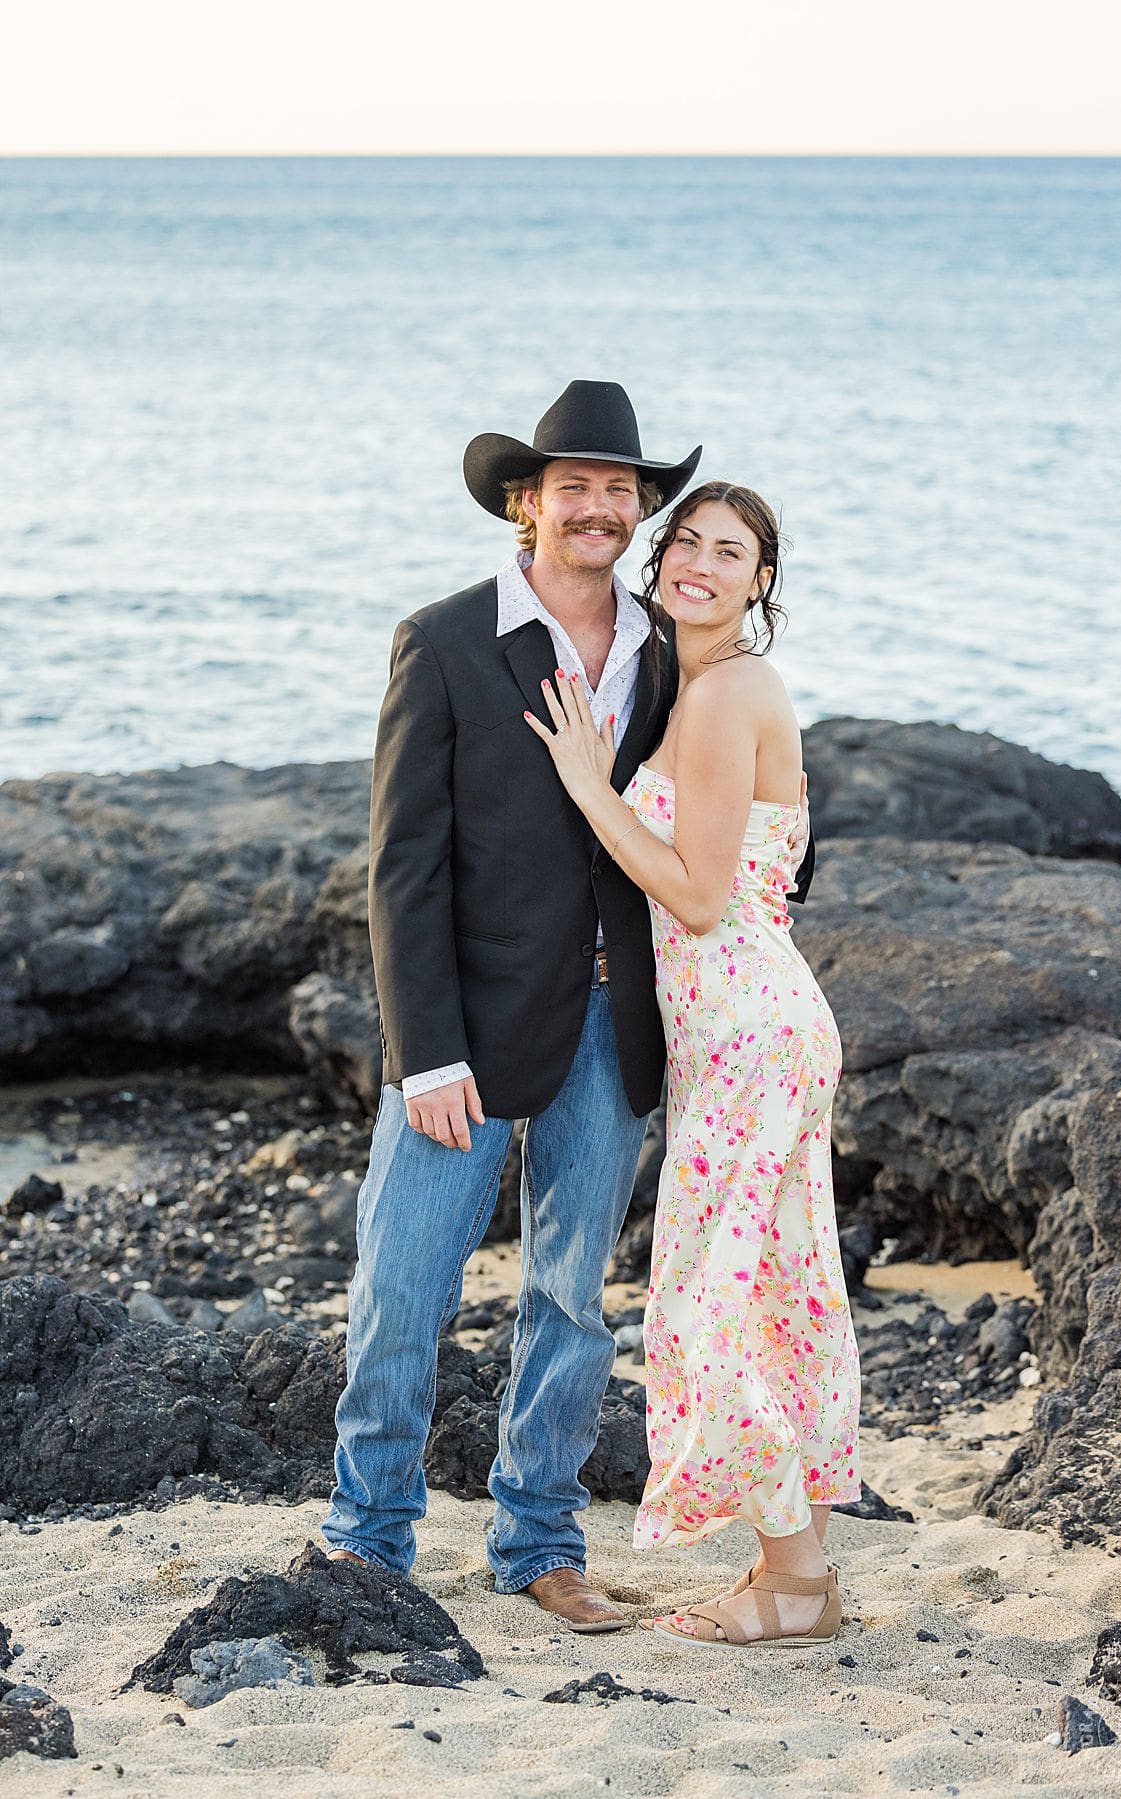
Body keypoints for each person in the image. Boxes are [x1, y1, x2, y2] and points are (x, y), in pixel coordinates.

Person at [323, 379, 815, 1634]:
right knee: (402, 1286)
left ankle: (539, 1541)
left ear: (637, 508)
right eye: (574, 485)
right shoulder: (443, 640)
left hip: (618, 1025)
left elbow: (737, 814)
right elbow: (403, 865)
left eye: (620, 488)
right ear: (525, 502)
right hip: (469, 1033)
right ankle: (366, 1535)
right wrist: (424, 1049)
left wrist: (770, 896)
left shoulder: (672, 648)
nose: (600, 506)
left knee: (571, 1301)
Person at [524, 480, 860, 1648]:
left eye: (732, 552)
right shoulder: (697, 687)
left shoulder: (724, 693)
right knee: (771, 1294)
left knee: (709, 1305)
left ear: (760, 581)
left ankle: (795, 1581)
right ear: (662, 559)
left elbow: (702, 894)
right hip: (747, 1033)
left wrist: (587, 787)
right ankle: (797, 1574)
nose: (701, 564)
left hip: (752, 1029)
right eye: (688, 544)